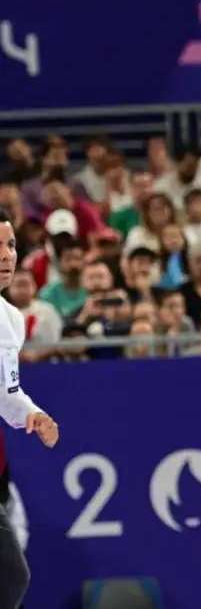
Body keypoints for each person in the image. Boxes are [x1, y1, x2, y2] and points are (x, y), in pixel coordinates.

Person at [0, 207, 60, 609]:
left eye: (10, 245)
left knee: (11, 575)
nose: (6, 255)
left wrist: (30, 414)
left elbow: (6, 392)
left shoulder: (10, 320)